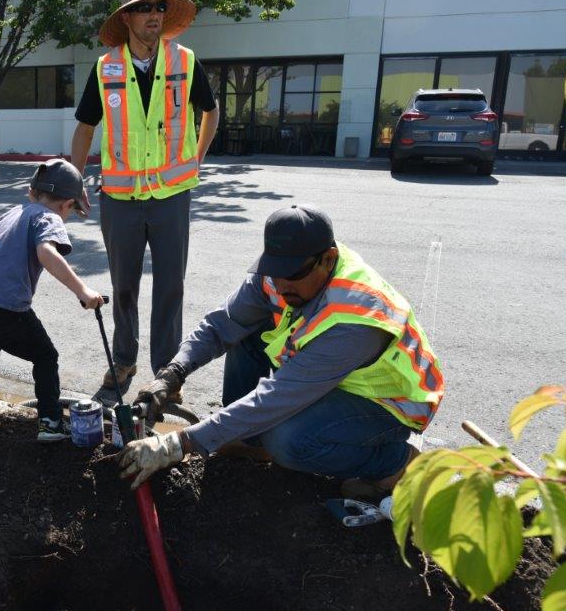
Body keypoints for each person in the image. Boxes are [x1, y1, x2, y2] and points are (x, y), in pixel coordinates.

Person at [119, 205, 445, 498]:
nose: (281, 284)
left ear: (328, 259)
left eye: (292, 274)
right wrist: (171, 374)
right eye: (275, 270)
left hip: (387, 402)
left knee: (287, 440)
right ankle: (250, 439)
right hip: (330, 379)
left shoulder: (356, 318)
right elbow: (223, 324)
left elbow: (278, 396)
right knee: (246, 331)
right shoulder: (279, 276)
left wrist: (181, 443)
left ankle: (395, 464)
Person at [70, 0, 220, 399]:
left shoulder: (186, 62)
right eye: (145, 8)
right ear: (127, 18)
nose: (154, 15)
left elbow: (210, 110)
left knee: (171, 285)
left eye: (159, 7)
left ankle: (166, 374)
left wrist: (198, 156)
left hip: (171, 196)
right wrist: (73, 179)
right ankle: (123, 361)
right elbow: (86, 127)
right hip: (120, 200)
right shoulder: (106, 68)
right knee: (123, 287)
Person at [0, 159, 104, 447]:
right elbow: (46, 252)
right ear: (67, 205)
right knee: (45, 356)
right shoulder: (48, 217)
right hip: (7, 309)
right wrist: (83, 290)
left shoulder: (7, 215)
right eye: (71, 210)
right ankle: (51, 422)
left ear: (32, 192)